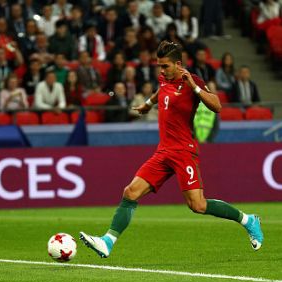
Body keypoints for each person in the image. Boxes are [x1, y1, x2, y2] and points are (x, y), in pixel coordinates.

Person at [79, 41, 264, 259]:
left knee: (198, 205)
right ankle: (107, 241)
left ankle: (248, 220)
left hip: (183, 151)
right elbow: (161, 91)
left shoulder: (192, 81)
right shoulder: (164, 79)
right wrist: (148, 103)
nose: (161, 70)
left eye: (165, 66)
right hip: (163, 152)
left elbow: (217, 106)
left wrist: (194, 87)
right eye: (159, 66)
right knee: (130, 192)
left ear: (178, 64)